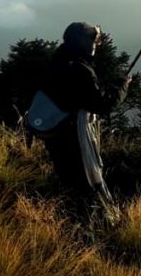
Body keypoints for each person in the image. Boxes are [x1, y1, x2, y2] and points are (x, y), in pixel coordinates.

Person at [39, 22, 130, 224]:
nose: (96, 46)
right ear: (84, 43)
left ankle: (71, 226)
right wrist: (121, 87)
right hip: (75, 137)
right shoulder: (79, 69)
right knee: (85, 184)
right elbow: (101, 104)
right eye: (94, 42)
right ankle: (91, 230)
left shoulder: (58, 62)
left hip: (57, 135)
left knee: (69, 182)